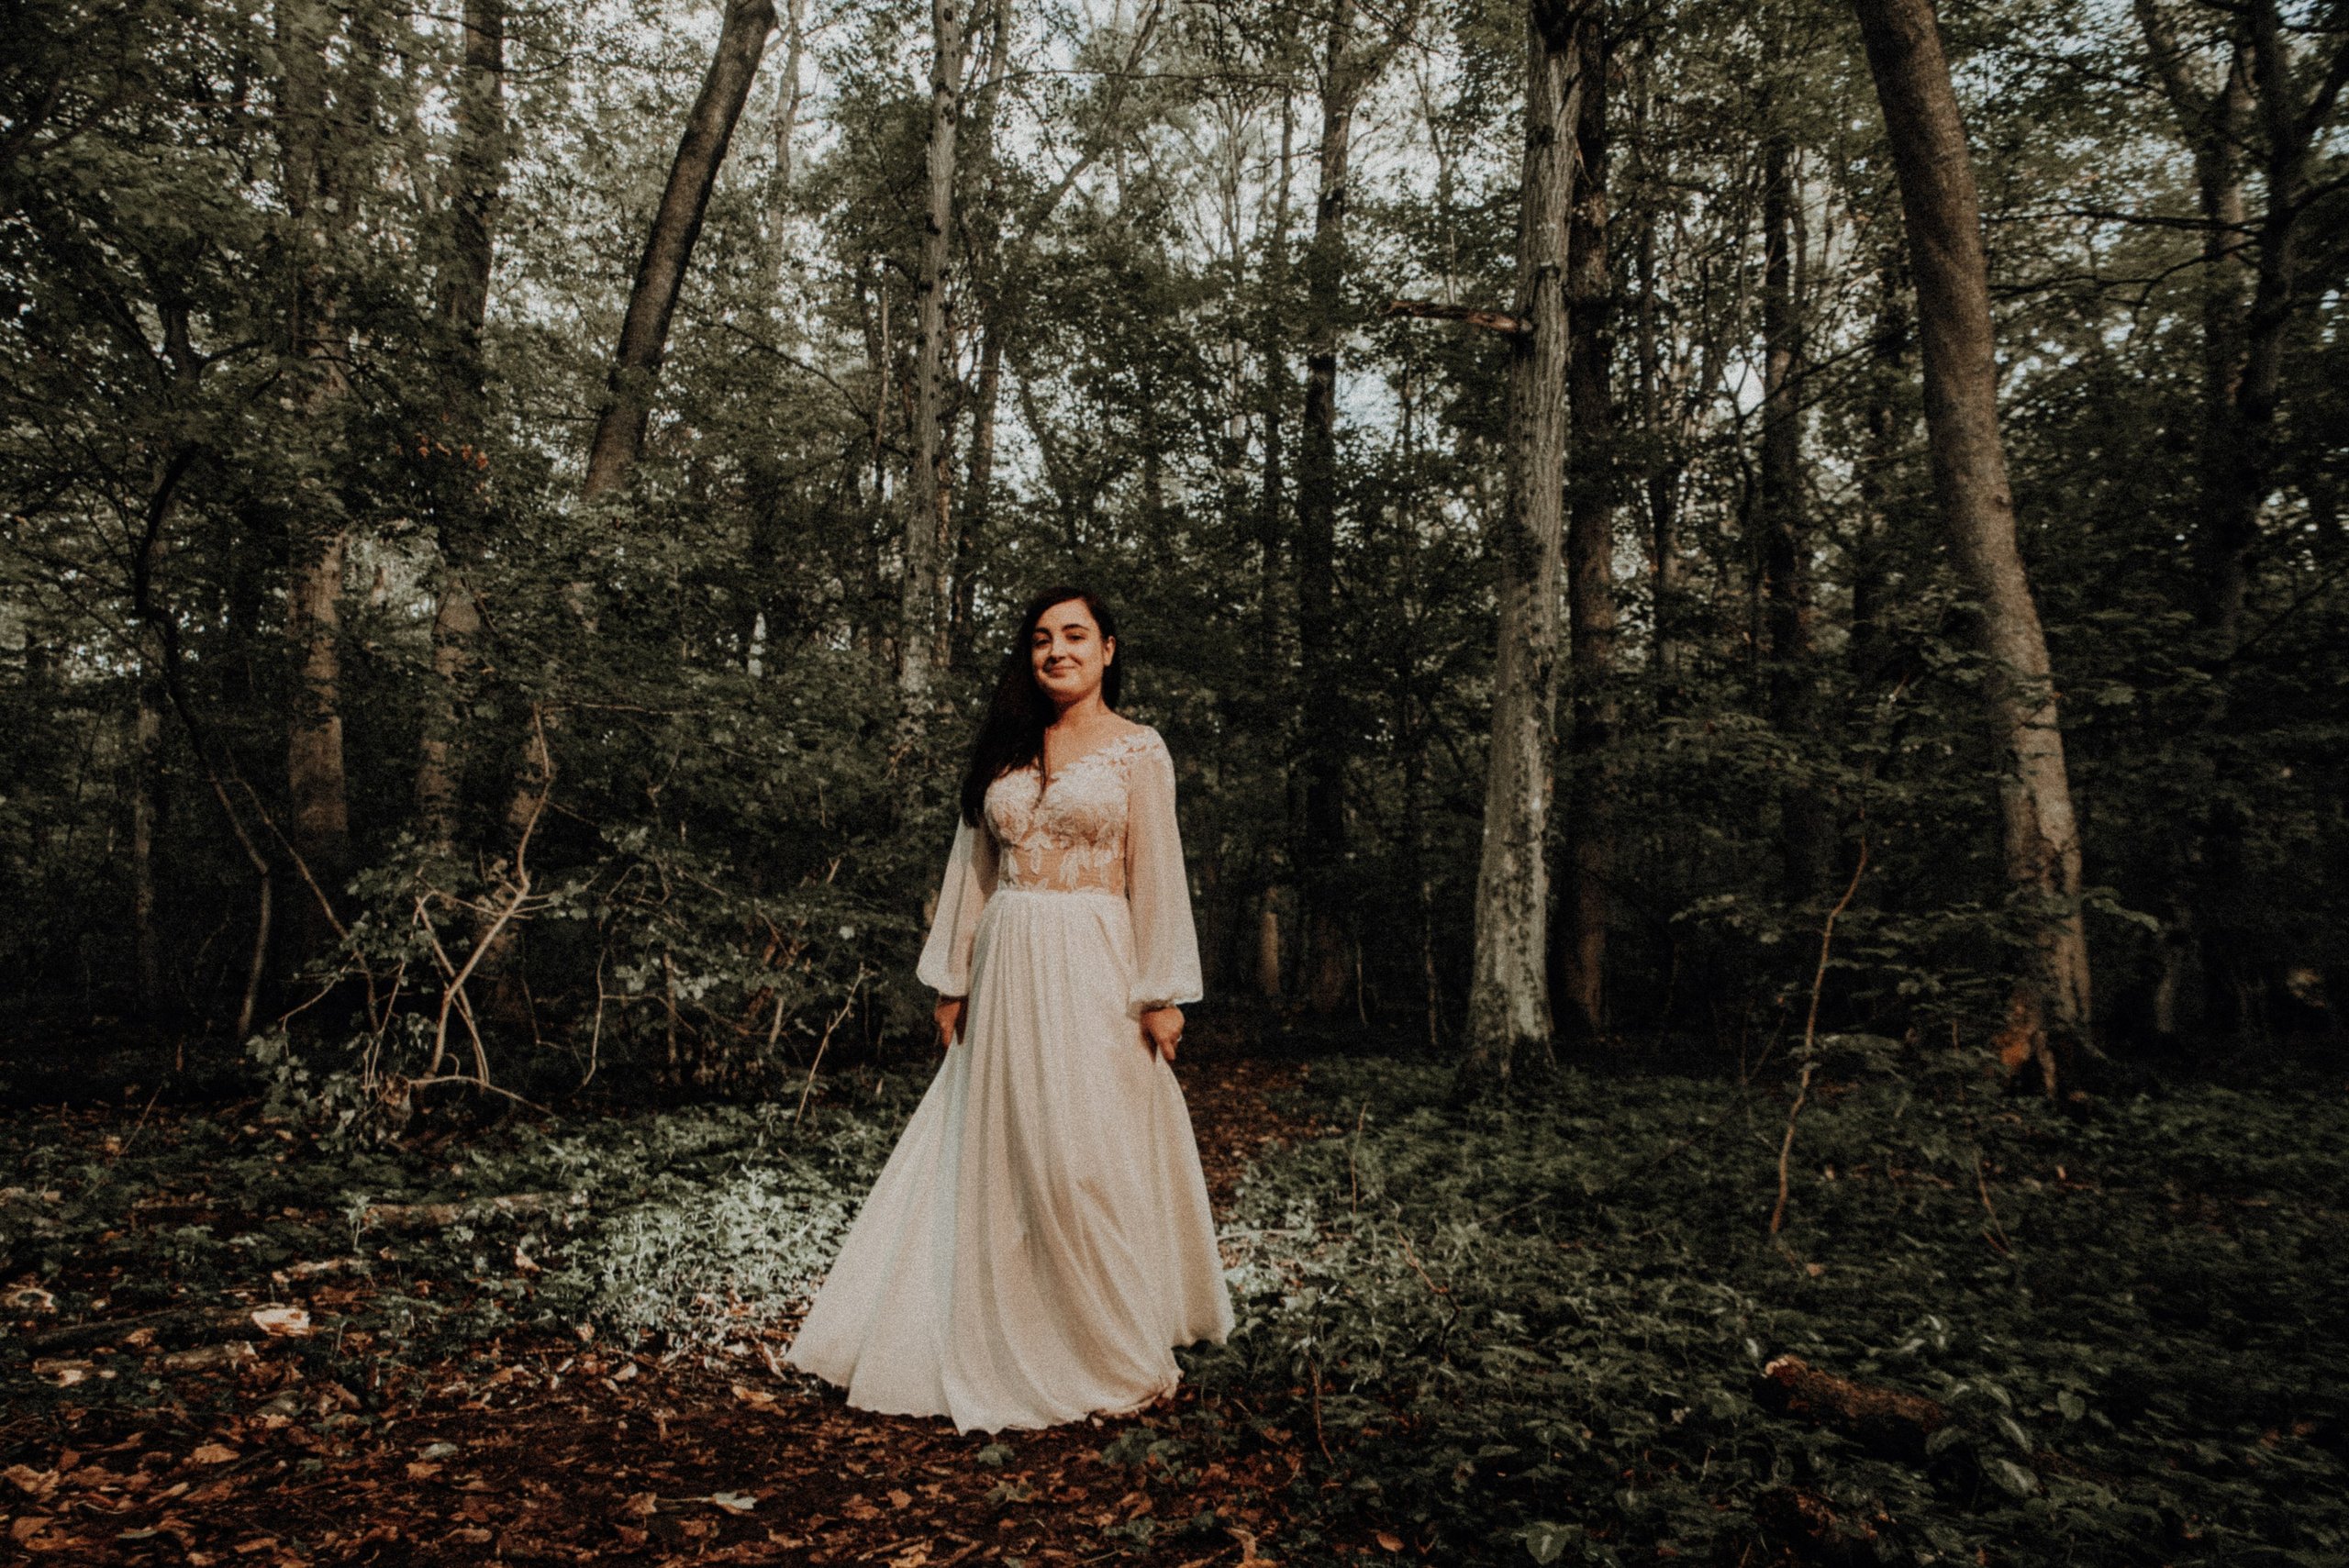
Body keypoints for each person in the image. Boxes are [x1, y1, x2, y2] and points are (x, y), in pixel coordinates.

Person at [785, 586, 1233, 1433]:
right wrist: (953, 981)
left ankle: (1109, 1340)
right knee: (1001, 1151)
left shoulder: (1140, 751)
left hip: (1097, 961)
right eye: (1040, 639)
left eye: (1074, 635)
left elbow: (1159, 874)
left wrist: (1163, 992)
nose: (1056, 650)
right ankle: (995, 1322)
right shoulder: (1008, 750)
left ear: (1108, 648)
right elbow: (973, 874)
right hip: (1007, 964)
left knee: (1083, 1157)